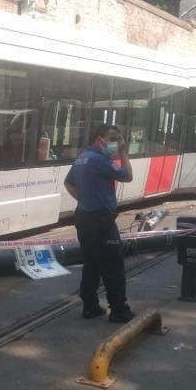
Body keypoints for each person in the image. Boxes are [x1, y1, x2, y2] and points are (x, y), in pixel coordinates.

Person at [64, 124, 135, 323]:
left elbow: (68, 182)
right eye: (112, 138)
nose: (115, 142)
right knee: (113, 266)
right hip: (101, 222)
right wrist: (123, 150)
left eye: (118, 139)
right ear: (99, 138)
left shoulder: (82, 158)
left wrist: (84, 199)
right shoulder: (100, 160)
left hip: (84, 219)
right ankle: (119, 310)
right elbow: (128, 175)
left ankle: (90, 306)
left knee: (92, 264)